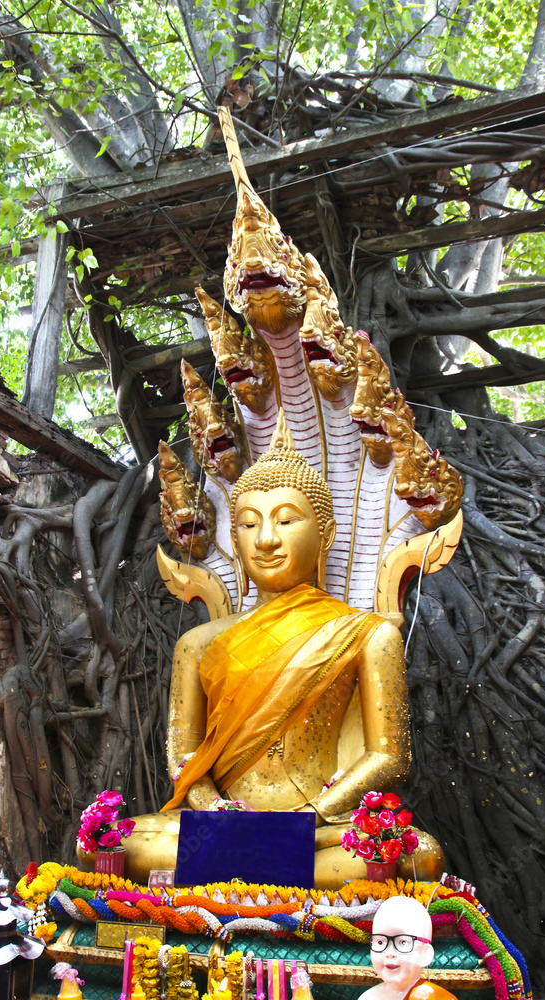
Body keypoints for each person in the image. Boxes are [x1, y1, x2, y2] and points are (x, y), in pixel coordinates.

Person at [116, 413, 443, 887]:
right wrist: (220, 813)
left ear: (324, 535)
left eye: (287, 520)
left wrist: (312, 816)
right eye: (249, 524)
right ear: (235, 538)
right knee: (118, 843)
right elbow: (183, 756)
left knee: (421, 857)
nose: (266, 538)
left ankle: (237, 867)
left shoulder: (368, 634)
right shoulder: (198, 644)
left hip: (320, 828)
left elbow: (390, 757)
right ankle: (260, 861)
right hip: (229, 824)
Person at [358, 897, 456, 1000]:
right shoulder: (368, 997)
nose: (389, 952)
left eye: (403, 942)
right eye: (380, 942)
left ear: (426, 953)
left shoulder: (434, 997)